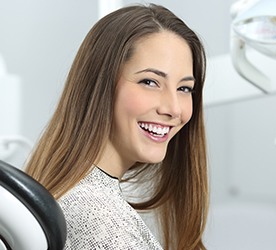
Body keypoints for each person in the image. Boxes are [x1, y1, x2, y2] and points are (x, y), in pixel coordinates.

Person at [25, 3, 208, 250]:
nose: (174, 108)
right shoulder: (99, 216)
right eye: (150, 82)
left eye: (184, 88)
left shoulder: (79, 197)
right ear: (100, 86)